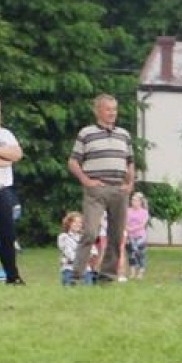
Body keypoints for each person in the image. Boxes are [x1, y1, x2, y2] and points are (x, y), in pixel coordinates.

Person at [67, 94, 135, 284]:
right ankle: (76, 276)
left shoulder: (124, 135)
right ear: (97, 111)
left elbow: (129, 162)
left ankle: (107, 277)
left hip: (119, 189)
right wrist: (85, 180)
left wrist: (130, 184)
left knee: (116, 235)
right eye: (108, 109)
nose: (112, 113)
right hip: (96, 189)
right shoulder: (86, 133)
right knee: (90, 231)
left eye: (114, 109)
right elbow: (73, 161)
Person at [0, 94, 26, 285]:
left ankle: (13, 277)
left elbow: (17, 154)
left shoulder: (6, 134)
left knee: (8, 236)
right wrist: (2, 159)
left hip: (3, 192)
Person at [125, 191, 150, 280]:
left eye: (135, 200)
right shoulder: (128, 211)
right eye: (132, 200)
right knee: (131, 253)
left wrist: (132, 229)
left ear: (140, 202)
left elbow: (143, 224)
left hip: (140, 236)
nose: (133, 202)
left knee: (139, 253)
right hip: (129, 236)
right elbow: (124, 222)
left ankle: (141, 270)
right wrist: (127, 229)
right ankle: (132, 272)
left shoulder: (144, 212)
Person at [57, 211, 84, 286]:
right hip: (69, 268)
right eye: (75, 222)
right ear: (69, 223)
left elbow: (92, 252)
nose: (78, 224)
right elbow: (68, 253)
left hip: (84, 269)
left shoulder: (84, 237)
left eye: (80, 222)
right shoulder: (63, 237)